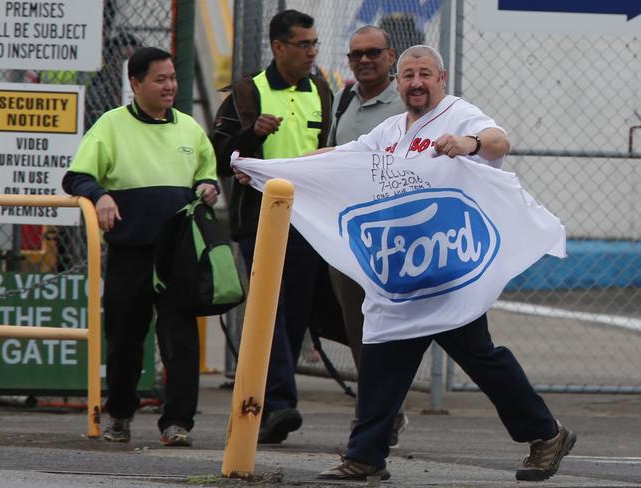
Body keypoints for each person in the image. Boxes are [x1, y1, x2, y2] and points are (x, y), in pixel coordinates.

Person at [308, 45, 576, 482]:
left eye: (425, 74)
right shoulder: (391, 130)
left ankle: (547, 435)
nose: (416, 82)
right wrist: (272, 167)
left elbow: (498, 140)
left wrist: (468, 144)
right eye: (409, 75)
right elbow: (343, 156)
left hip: (446, 274)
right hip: (398, 273)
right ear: (398, 83)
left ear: (441, 78)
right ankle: (365, 456)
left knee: (482, 359)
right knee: (380, 361)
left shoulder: (458, 114)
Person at [62, 47, 219, 447]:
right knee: (125, 339)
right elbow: (76, 176)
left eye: (172, 78)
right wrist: (100, 195)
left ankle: (177, 422)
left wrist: (208, 186)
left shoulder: (189, 128)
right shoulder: (110, 126)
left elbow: (207, 172)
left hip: (178, 253)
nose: (170, 86)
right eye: (159, 79)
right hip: (131, 252)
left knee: (181, 340)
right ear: (135, 84)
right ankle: (120, 414)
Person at [211, 9, 333, 444]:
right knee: (272, 310)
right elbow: (219, 154)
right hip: (259, 220)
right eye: (304, 45)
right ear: (279, 47)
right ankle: (282, 403)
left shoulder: (321, 88)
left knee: (294, 316)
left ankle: (263, 413)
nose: (312, 52)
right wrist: (251, 136)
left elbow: (326, 150)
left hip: (308, 221)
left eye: (314, 44)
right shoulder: (247, 93)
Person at [327, 25, 409, 448]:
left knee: (395, 330)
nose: (364, 60)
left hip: (396, 240)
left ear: (390, 55)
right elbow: (332, 158)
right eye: (356, 54)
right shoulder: (344, 100)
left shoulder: (407, 104)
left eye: (373, 52)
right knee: (358, 329)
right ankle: (379, 412)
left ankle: (383, 409)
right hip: (349, 238)